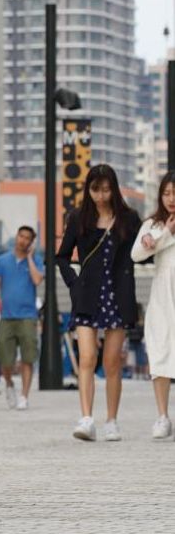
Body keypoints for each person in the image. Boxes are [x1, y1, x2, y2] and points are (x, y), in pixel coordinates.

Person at [57, 164, 140, 441]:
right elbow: (62, 256)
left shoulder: (128, 219)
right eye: (95, 189)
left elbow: (141, 253)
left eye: (106, 190)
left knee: (112, 361)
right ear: (88, 190)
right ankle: (86, 419)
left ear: (114, 189)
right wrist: (73, 282)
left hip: (118, 294)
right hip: (87, 295)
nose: (101, 196)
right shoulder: (79, 217)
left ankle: (112, 421)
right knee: (87, 358)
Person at [130, 171, 175, 439]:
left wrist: (159, 242)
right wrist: (164, 234)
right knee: (159, 352)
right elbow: (137, 254)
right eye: (167, 193)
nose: (171, 199)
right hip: (162, 295)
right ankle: (162, 416)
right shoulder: (152, 224)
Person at [0, 225, 43, 411]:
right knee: (5, 359)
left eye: (28, 238)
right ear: (17, 236)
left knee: (28, 358)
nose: (23, 240)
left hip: (28, 316)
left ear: (31, 242)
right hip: (7, 316)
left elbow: (37, 280)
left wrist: (29, 258)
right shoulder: (2, 261)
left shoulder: (36, 260)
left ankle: (24, 397)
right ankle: (9, 384)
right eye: (21, 236)